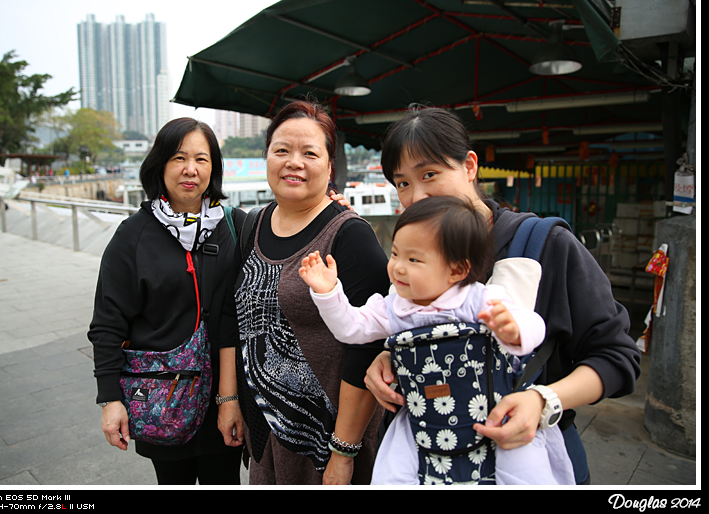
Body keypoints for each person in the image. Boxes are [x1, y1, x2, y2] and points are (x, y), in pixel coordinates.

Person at [363, 106, 641, 485]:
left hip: (526, 460)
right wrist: (388, 357)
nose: (418, 195)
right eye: (403, 183)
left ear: (470, 166)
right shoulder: (413, 255)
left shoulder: (545, 245)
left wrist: (544, 401)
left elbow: (617, 357)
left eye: (430, 174)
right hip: (429, 463)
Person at [299, 196, 574, 485]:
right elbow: (351, 329)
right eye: (395, 254)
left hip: (492, 409)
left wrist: (514, 329)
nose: (398, 267)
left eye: (413, 259)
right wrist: (328, 292)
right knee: (393, 473)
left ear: (457, 269)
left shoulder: (480, 299)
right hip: (422, 416)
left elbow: (536, 326)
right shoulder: (394, 307)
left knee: (523, 470)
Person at [221, 100, 391, 485]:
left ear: (330, 167)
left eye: (309, 153)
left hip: (330, 442)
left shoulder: (350, 236)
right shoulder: (254, 224)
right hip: (264, 431)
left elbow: (369, 348)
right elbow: (234, 316)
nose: (293, 162)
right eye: (281, 150)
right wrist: (228, 400)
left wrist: (344, 452)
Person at [88, 118, 245, 485]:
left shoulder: (236, 225)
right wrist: (110, 399)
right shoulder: (133, 236)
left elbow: (284, 240)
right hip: (162, 397)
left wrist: (330, 208)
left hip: (226, 399)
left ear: (214, 168)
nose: (191, 169)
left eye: (202, 159)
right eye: (179, 158)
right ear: (160, 164)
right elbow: (107, 323)